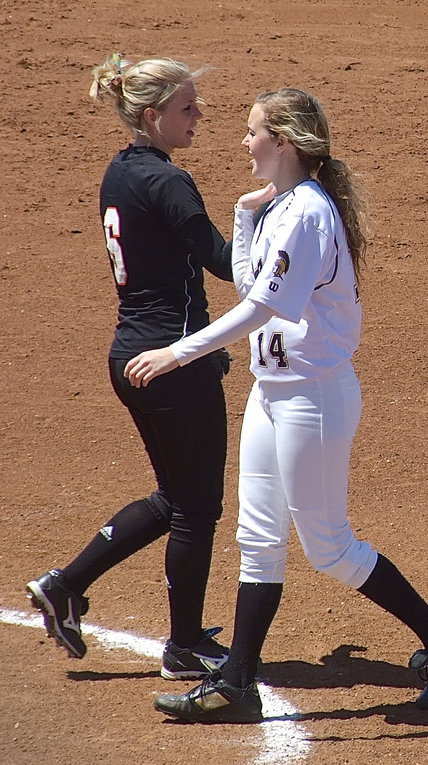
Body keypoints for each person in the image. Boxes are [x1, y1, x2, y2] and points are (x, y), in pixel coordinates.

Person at [129, 87, 428, 721]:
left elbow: (264, 308)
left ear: (283, 141)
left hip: (312, 398)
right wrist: (241, 217)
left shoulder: (306, 213)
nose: (242, 141)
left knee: (328, 547)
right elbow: (249, 284)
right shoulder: (280, 208)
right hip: (273, 393)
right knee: (257, 538)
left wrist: (178, 354)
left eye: (252, 131)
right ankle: (237, 681)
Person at [26, 53, 232, 681]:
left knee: (176, 497)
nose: (199, 117)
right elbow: (226, 263)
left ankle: (65, 585)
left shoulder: (121, 171)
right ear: (152, 116)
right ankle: (186, 644)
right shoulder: (169, 182)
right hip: (173, 363)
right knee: (197, 508)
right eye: (186, 109)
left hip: (132, 356)